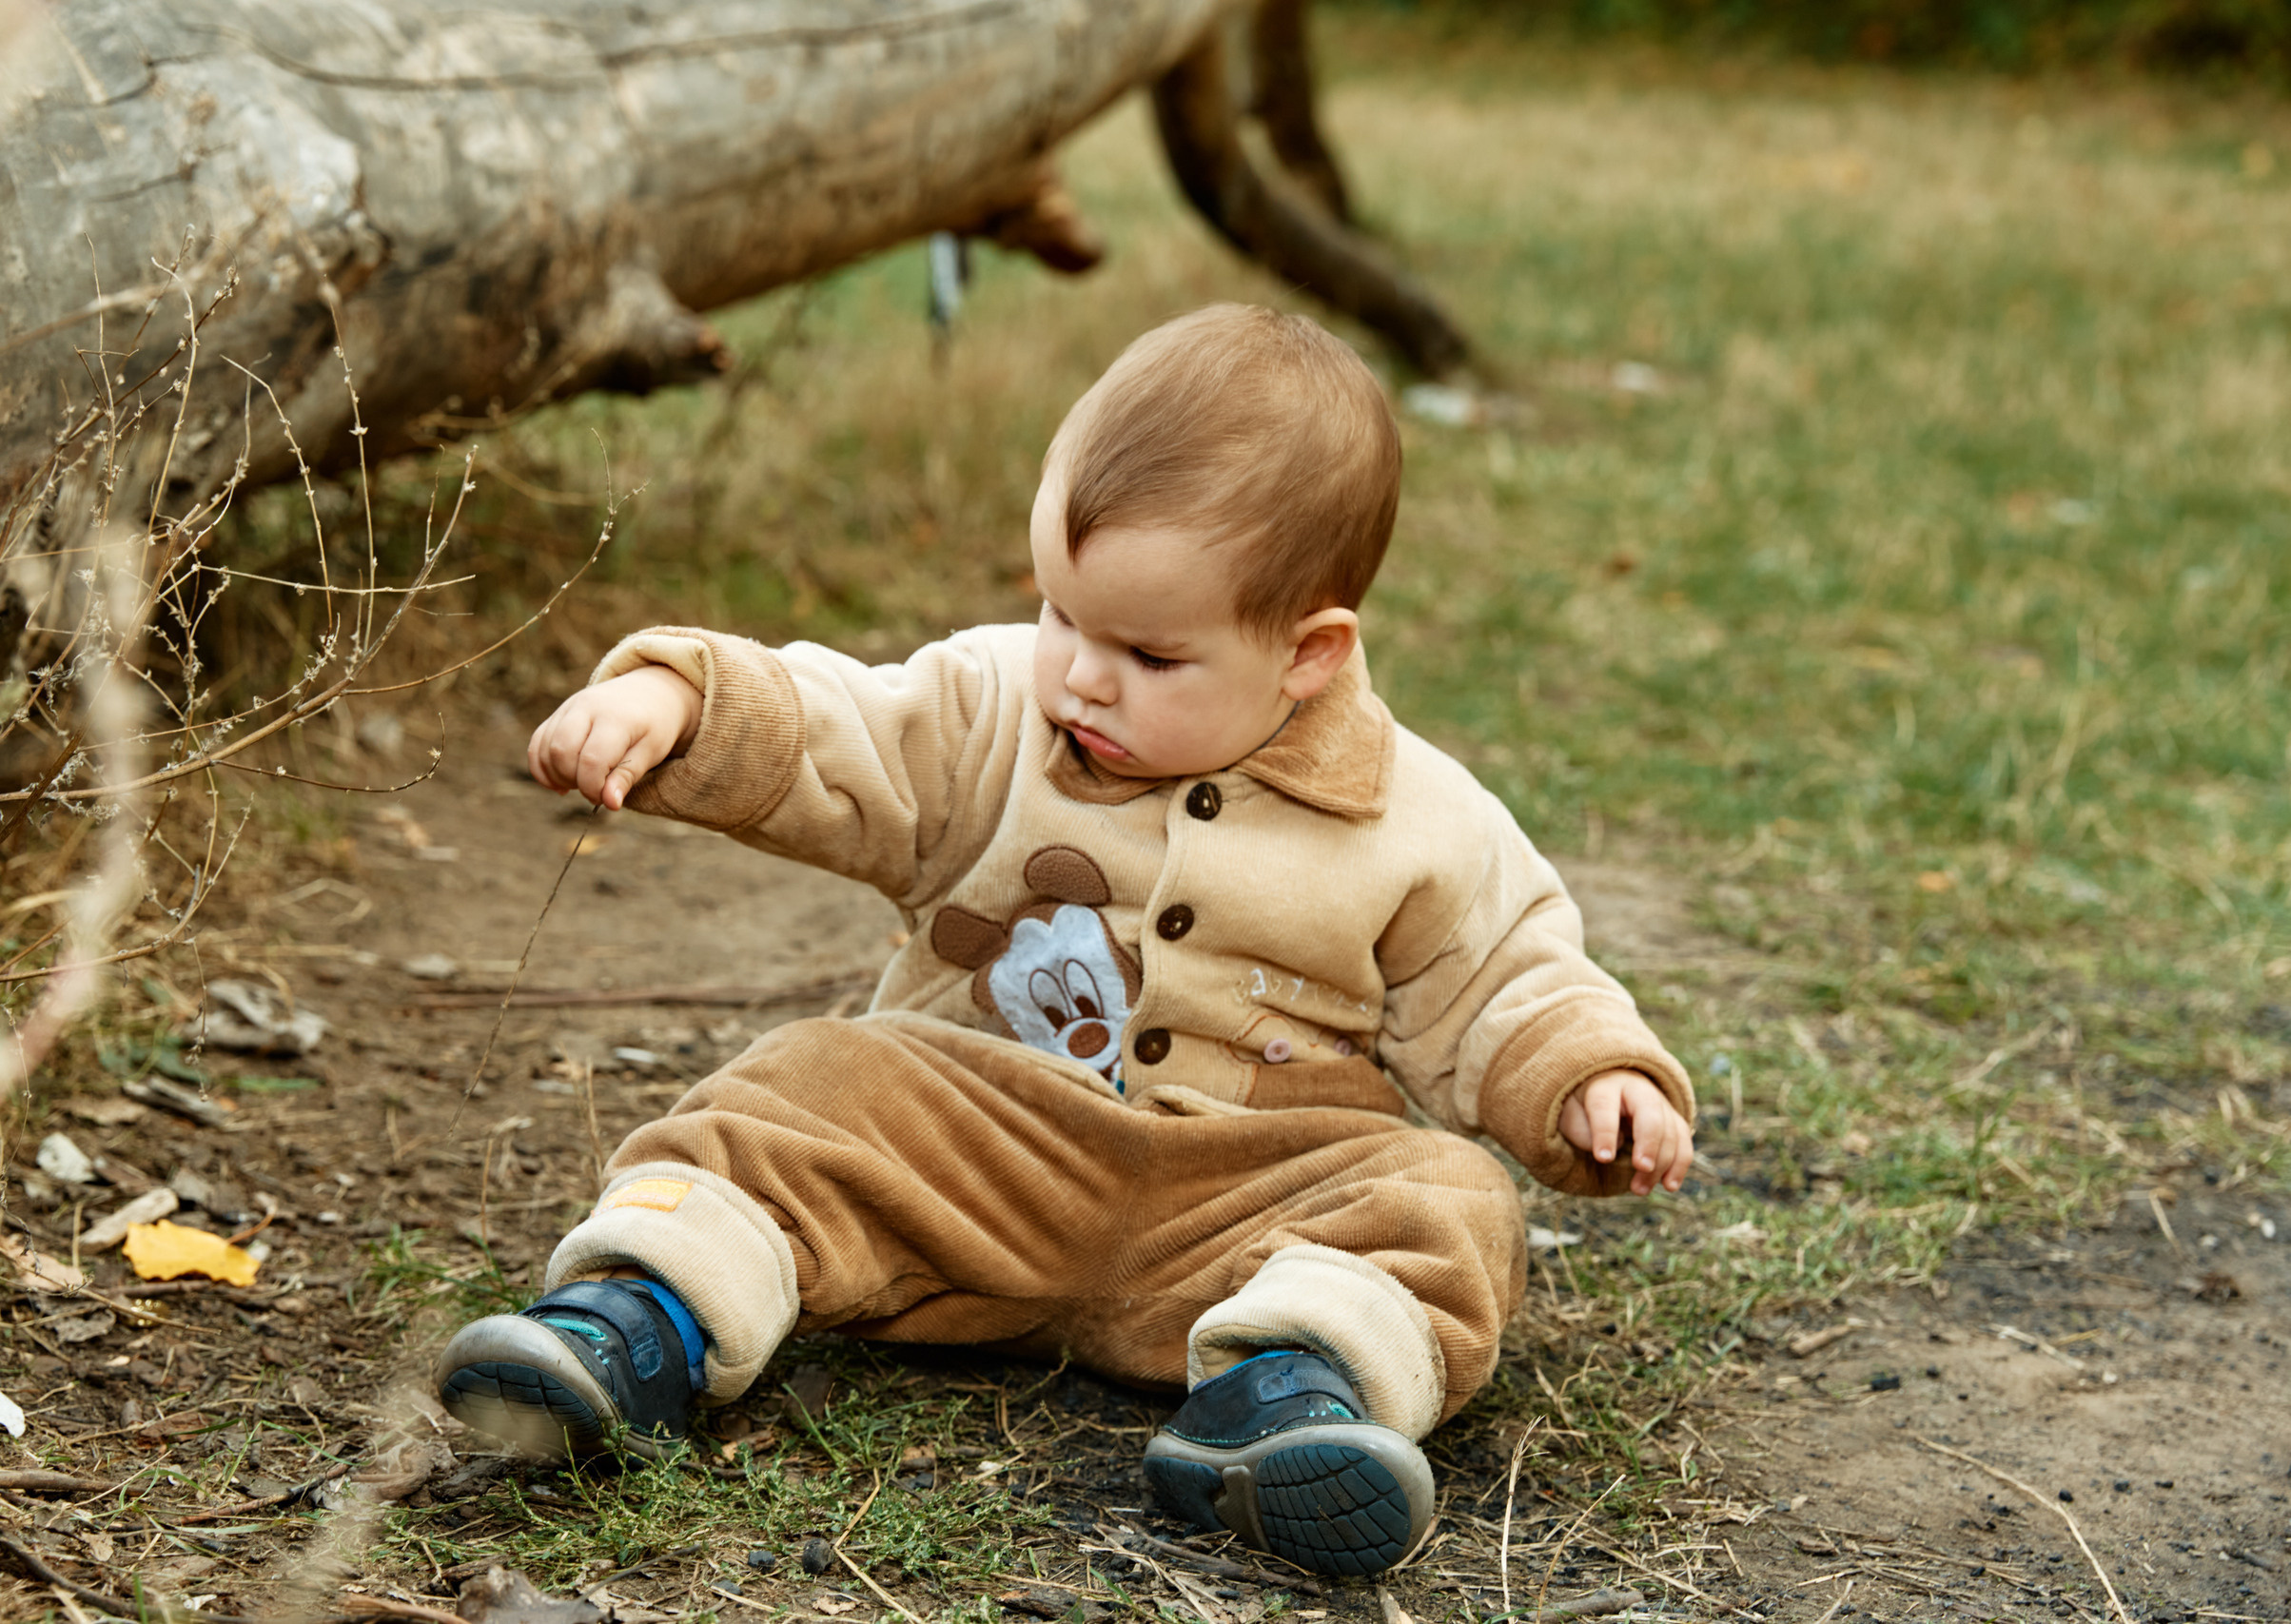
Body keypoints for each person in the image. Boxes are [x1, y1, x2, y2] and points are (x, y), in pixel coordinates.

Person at [433, 303, 1694, 1577]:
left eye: (1149, 653)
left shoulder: (1419, 820)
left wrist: (1593, 1075)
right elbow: (846, 728)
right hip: (976, 1160)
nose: (1082, 677)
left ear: (1306, 655)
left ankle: (1291, 1392)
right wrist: (681, 702)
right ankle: (638, 1321)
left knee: (1453, 1203)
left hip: (1247, 1206)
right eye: (1060, 614)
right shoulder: (995, 713)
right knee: (809, 1082)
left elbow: (1506, 973)